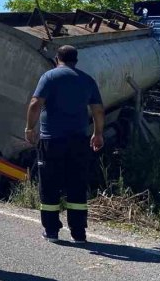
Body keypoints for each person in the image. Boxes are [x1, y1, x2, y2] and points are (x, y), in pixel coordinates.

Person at [25, 45, 105, 243]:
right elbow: (98, 110)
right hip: (78, 141)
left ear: (56, 59)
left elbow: (35, 104)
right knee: (77, 184)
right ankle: (78, 233)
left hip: (52, 140)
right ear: (76, 60)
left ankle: (51, 230)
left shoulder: (49, 77)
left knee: (49, 184)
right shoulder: (87, 80)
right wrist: (97, 134)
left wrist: (29, 128)